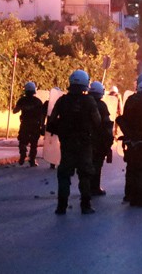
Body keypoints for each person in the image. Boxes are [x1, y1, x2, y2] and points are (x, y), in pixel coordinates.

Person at [46, 70, 101, 215]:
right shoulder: (89, 101)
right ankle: (85, 205)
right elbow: (98, 121)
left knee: (64, 174)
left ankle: (61, 207)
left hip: (67, 143)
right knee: (85, 174)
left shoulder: (62, 100)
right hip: (84, 143)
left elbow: (51, 120)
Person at [118, 79, 142, 208]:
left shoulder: (130, 100)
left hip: (130, 139)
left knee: (132, 168)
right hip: (141, 141)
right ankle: (141, 198)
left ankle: (129, 194)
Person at [88, 81, 115, 196]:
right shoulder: (101, 105)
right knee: (97, 163)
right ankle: (94, 187)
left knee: (86, 164)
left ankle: (87, 188)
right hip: (97, 138)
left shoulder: (84, 101)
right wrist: (109, 140)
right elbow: (106, 123)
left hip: (83, 138)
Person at [12, 81, 47, 167]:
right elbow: (42, 114)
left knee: (22, 140)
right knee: (34, 143)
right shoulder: (38, 101)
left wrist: (21, 106)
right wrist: (42, 125)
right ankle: (32, 160)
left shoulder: (22, 100)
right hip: (35, 125)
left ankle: (23, 153)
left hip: (25, 124)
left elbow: (15, 111)